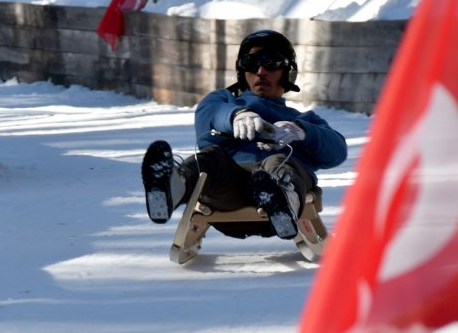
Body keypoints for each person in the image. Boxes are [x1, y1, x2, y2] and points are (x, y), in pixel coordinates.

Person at [141, 29, 347, 240]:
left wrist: (303, 131)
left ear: (288, 71)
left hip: (276, 191)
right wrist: (235, 116)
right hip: (229, 191)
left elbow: (337, 152)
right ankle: (174, 188)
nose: (261, 71)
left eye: (271, 62)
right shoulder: (225, 101)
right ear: (242, 71)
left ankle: (283, 200)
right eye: (251, 62)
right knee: (210, 158)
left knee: (277, 162)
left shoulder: (305, 119)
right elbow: (208, 116)